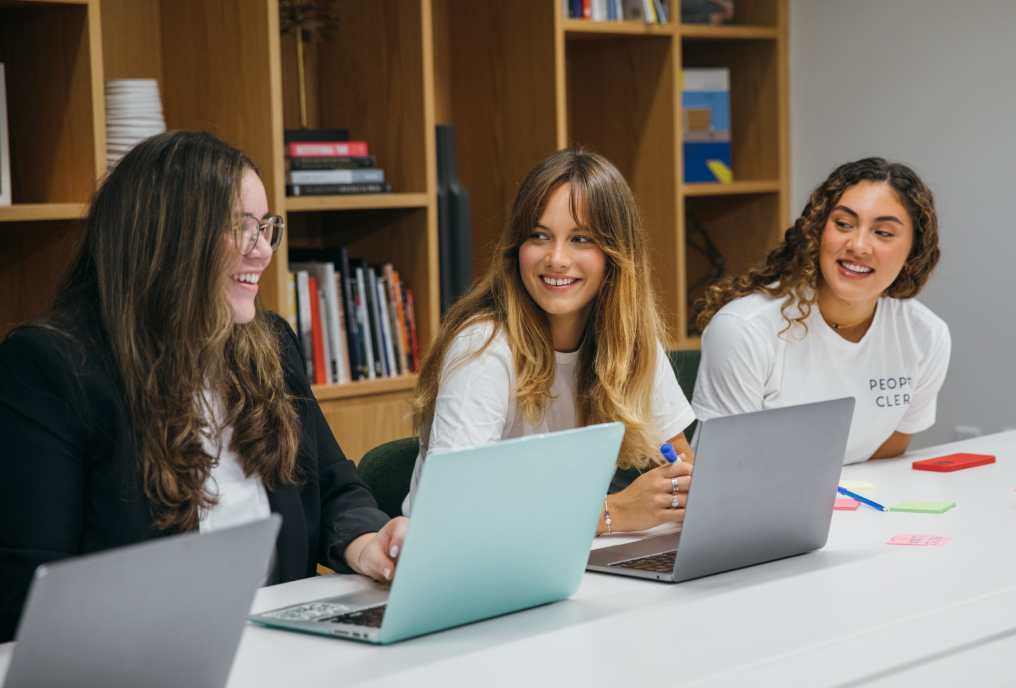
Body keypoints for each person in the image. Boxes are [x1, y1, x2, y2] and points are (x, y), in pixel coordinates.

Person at [0, 131, 406, 642]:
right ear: (166, 238)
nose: (263, 252)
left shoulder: (271, 345)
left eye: (266, 228)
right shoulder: (51, 366)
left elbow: (335, 489)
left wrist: (366, 539)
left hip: (286, 652)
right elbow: (26, 598)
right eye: (242, 228)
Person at [403, 149, 697, 533]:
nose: (556, 258)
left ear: (616, 255)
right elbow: (451, 514)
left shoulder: (629, 340)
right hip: (468, 569)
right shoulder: (482, 347)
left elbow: (684, 474)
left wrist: (683, 492)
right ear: (517, 247)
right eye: (539, 236)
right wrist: (613, 513)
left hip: (562, 559)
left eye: (580, 238)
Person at [693, 157, 950, 463]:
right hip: (752, 506)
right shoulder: (744, 329)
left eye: (883, 232)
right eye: (843, 224)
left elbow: (887, 456)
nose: (858, 245)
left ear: (913, 253)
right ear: (816, 232)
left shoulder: (925, 335)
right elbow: (726, 468)